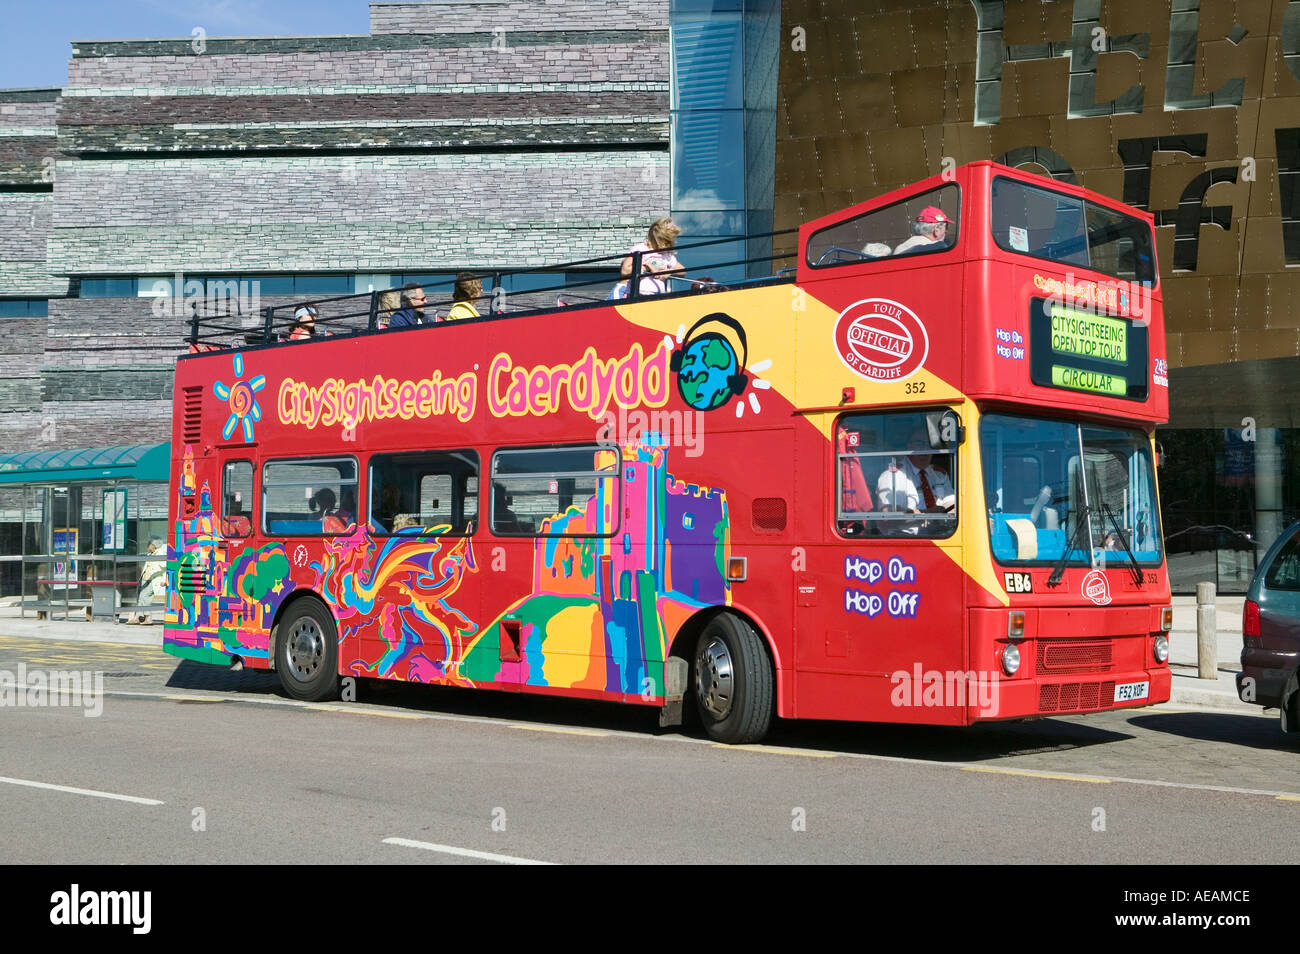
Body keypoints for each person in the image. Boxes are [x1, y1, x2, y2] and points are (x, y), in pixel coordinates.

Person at [609, 217, 684, 299]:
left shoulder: (667, 254)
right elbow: (625, 270)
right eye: (666, 241)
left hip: (658, 297)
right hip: (637, 296)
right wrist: (648, 267)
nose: (669, 244)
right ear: (657, 238)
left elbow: (682, 271)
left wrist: (669, 271)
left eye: (671, 241)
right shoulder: (640, 249)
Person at [900, 427, 956, 513]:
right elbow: (891, 515)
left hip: (942, 525)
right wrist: (927, 513)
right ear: (909, 446)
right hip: (910, 526)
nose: (925, 449)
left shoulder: (940, 474)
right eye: (919, 444)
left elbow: (951, 502)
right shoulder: (895, 474)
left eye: (929, 445)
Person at [134, 539, 166, 623]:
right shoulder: (150, 554)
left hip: (154, 580)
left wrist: (164, 580)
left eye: (149, 544)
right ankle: (137, 617)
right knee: (141, 597)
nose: (148, 546)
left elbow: (165, 568)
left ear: (153, 545)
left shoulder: (160, 554)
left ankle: (148, 618)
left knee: (145, 597)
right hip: (146, 578)